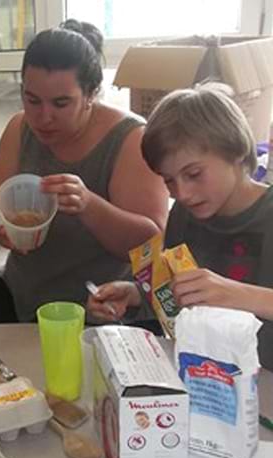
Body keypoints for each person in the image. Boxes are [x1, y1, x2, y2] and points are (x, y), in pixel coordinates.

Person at [0, 19, 169, 323]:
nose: (44, 117)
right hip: (22, 291)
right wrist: (2, 230)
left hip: (102, 304)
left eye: (61, 103)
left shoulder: (131, 139)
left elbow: (151, 246)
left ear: (92, 94)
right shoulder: (19, 127)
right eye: (32, 100)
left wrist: (89, 205)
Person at [87, 83, 273, 371]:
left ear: (236, 151)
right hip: (203, 378)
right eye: (169, 180)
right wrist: (136, 295)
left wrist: (237, 294)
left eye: (194, 174)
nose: (182, 194)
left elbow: (227, 294)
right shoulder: (185, 215)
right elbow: (177, 295)